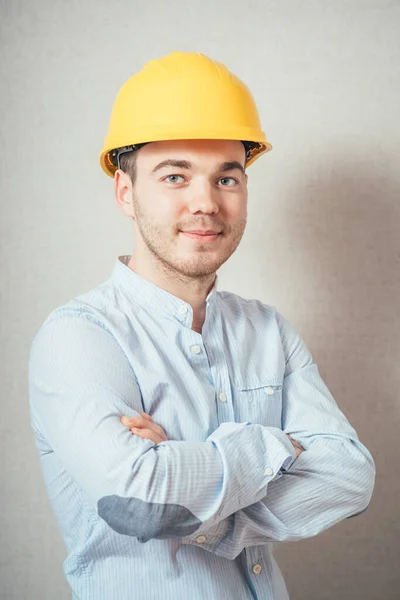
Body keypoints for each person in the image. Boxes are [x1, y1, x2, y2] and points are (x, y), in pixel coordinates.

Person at [28, 51, 375, 600]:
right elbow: (141, 501)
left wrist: (199, 504)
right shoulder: (79, 338)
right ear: (125, 191)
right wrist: (279, 446)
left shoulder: (267, 330)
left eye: (227, 178)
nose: (206, 203)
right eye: (175, 176)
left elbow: (351, 479)